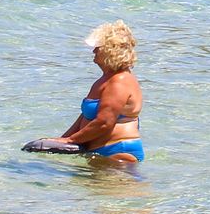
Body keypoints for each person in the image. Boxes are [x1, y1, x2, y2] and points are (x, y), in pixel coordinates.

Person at [47, 20, 144, 163]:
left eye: (98, 47)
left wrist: (70, 140)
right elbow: (85, 116)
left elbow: (104, 122)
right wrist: (63, 140)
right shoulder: (105, 79)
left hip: (118, 152)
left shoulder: (120, 81)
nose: (94, 51)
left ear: (110, 50)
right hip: (100, 152)